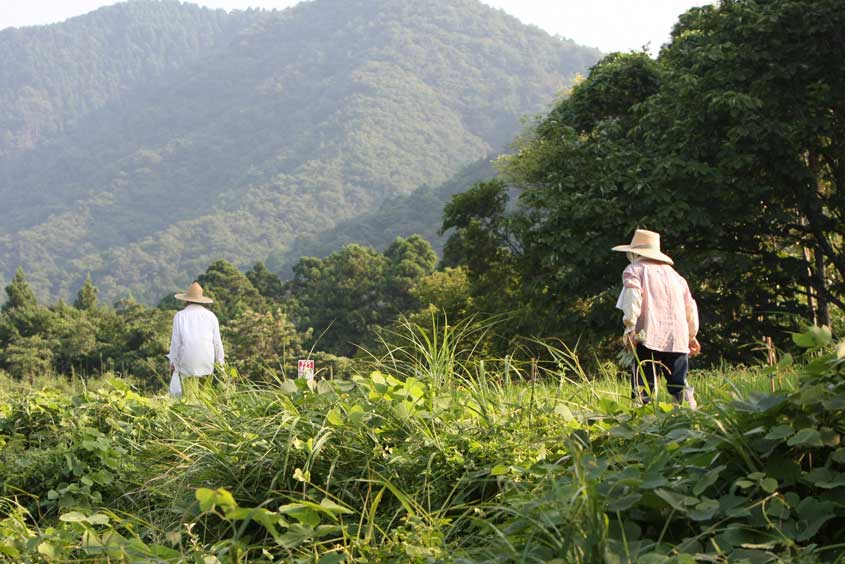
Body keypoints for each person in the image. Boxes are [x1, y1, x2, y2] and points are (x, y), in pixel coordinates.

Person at [612, 229, 700, 408]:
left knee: (643, 385)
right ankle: (688, 416)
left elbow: (633, 297)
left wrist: (630, 326)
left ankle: (640, 423)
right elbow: (690, 307)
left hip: (648, 334)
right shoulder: (677, 276)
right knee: (679, 383)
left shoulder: (635, 270)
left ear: (635, 253)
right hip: (678, 338)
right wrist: (692, 335)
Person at [168, 282, 225, 397]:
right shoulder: (211, 316)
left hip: (186, 363)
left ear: (186, 300)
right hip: (207, 363)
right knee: (204, 396)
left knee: (188, 397)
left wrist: (172, 362)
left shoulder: (180, 316)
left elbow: (176, 342)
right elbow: (217, 343)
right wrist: (221, 364)